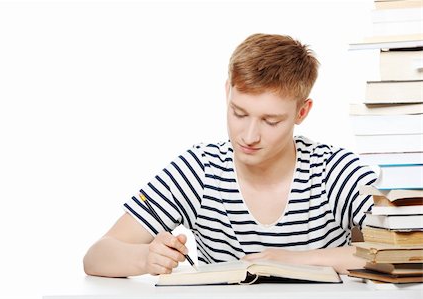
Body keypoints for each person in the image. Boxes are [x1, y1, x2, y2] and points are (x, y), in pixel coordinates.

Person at [83, 33, 377, 278]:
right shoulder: (200, 170)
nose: (248, 136)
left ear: (302, 112)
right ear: (227, 92)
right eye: (239, 113)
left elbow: (409, 250)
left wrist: (291, 262)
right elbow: (97, 255)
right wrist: (146, 258)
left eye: (270, 121)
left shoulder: (335, 171)